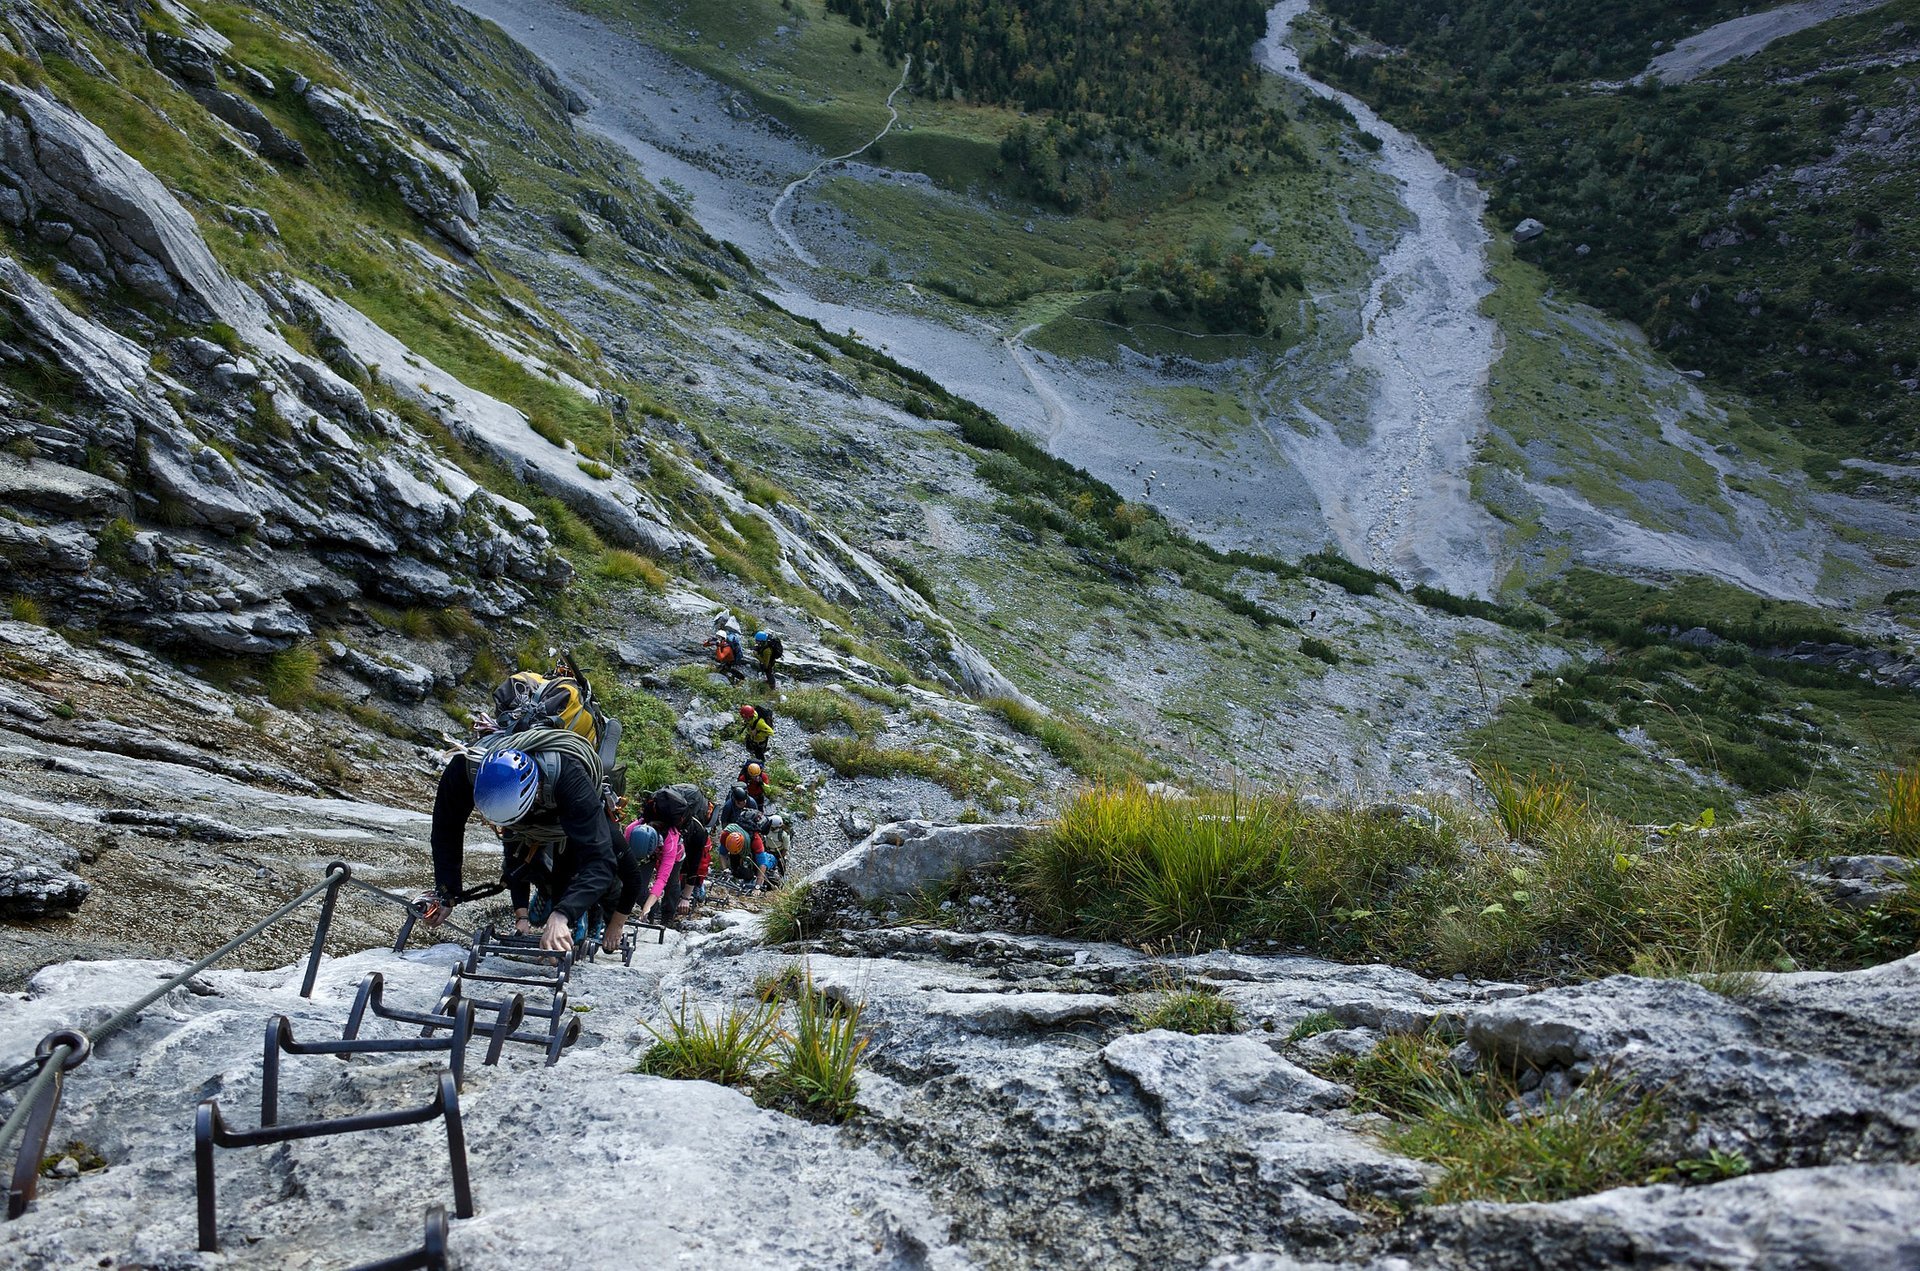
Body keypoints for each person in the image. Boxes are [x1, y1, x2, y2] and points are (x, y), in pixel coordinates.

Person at [422, 738, 640, 954]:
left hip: (567, 817)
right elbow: (446, 829)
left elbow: (601, 862)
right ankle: (549, 897)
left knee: (570, 869)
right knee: (521, 861)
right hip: (522, 820)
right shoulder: (465, 767)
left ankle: (576, 912)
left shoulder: (571, 782)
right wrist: (446, 892)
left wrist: (562, 915)